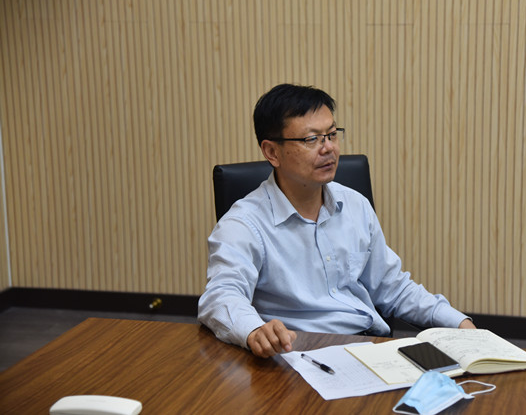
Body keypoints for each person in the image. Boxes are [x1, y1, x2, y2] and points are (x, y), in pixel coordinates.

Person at [198, 84, 475, 358]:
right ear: (272, 152)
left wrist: (459, 322)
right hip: (300, 356)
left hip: (369, 347)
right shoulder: (244, 223)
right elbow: (221, 296)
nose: (328, 148)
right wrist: (255, 330)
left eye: (332, 134)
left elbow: (392, 287)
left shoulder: (355, 205)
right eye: (311, 139)